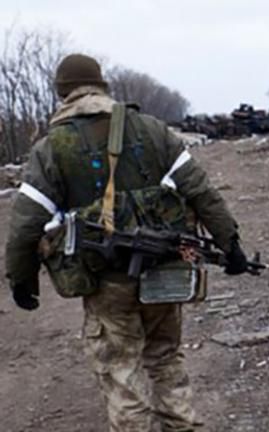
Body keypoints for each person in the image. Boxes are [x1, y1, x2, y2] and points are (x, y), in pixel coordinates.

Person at [4, 53, 249, 431]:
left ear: (62, 94)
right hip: (165, 272)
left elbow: (26, 225)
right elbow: (200, 191)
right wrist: (230, 243)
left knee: (122, 370)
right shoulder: (150, 129)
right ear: (101, 86)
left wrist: (22, 279)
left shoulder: (52, 147)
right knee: (166, 360)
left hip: (107, 282)